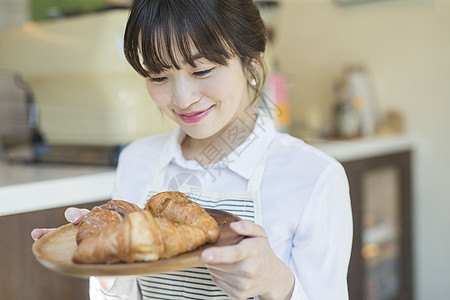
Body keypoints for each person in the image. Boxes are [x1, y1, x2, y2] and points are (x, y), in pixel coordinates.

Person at [32, 0, 353, 299]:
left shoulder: (314, 176)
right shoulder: (137, 159)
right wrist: (104, 263)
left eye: (202, 71)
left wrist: (276, 282)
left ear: (251, 63)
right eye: (158, 76)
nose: (183, 99)